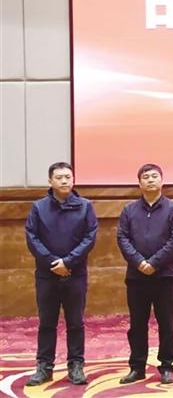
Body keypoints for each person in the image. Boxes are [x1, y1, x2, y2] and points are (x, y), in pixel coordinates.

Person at [24, 162, 98, 386]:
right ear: (50, 181)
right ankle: (44, 367)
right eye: (59, 177)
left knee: (75, 323)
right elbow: (32, 237)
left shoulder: (85, 207)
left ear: (73, 179)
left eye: (68, 177)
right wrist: (52, 262)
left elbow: (89, 237)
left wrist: (68, 261)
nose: (64, 181)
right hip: (46, 275)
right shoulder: (38, 207)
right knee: (47, 323)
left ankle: (76, 366)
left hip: (75, 274)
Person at [117, 164, 173, 385]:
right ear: (139, 183)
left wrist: (154, 263)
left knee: (166, 323)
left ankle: (166, 366)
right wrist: (139, 262)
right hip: (136, 276)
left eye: (154, 176)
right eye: (145, 177)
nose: (150, 180)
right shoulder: (129, 210)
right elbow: (123, 239)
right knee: (137, 324)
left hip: (164, 276)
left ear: (162, 181)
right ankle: (137, 367)